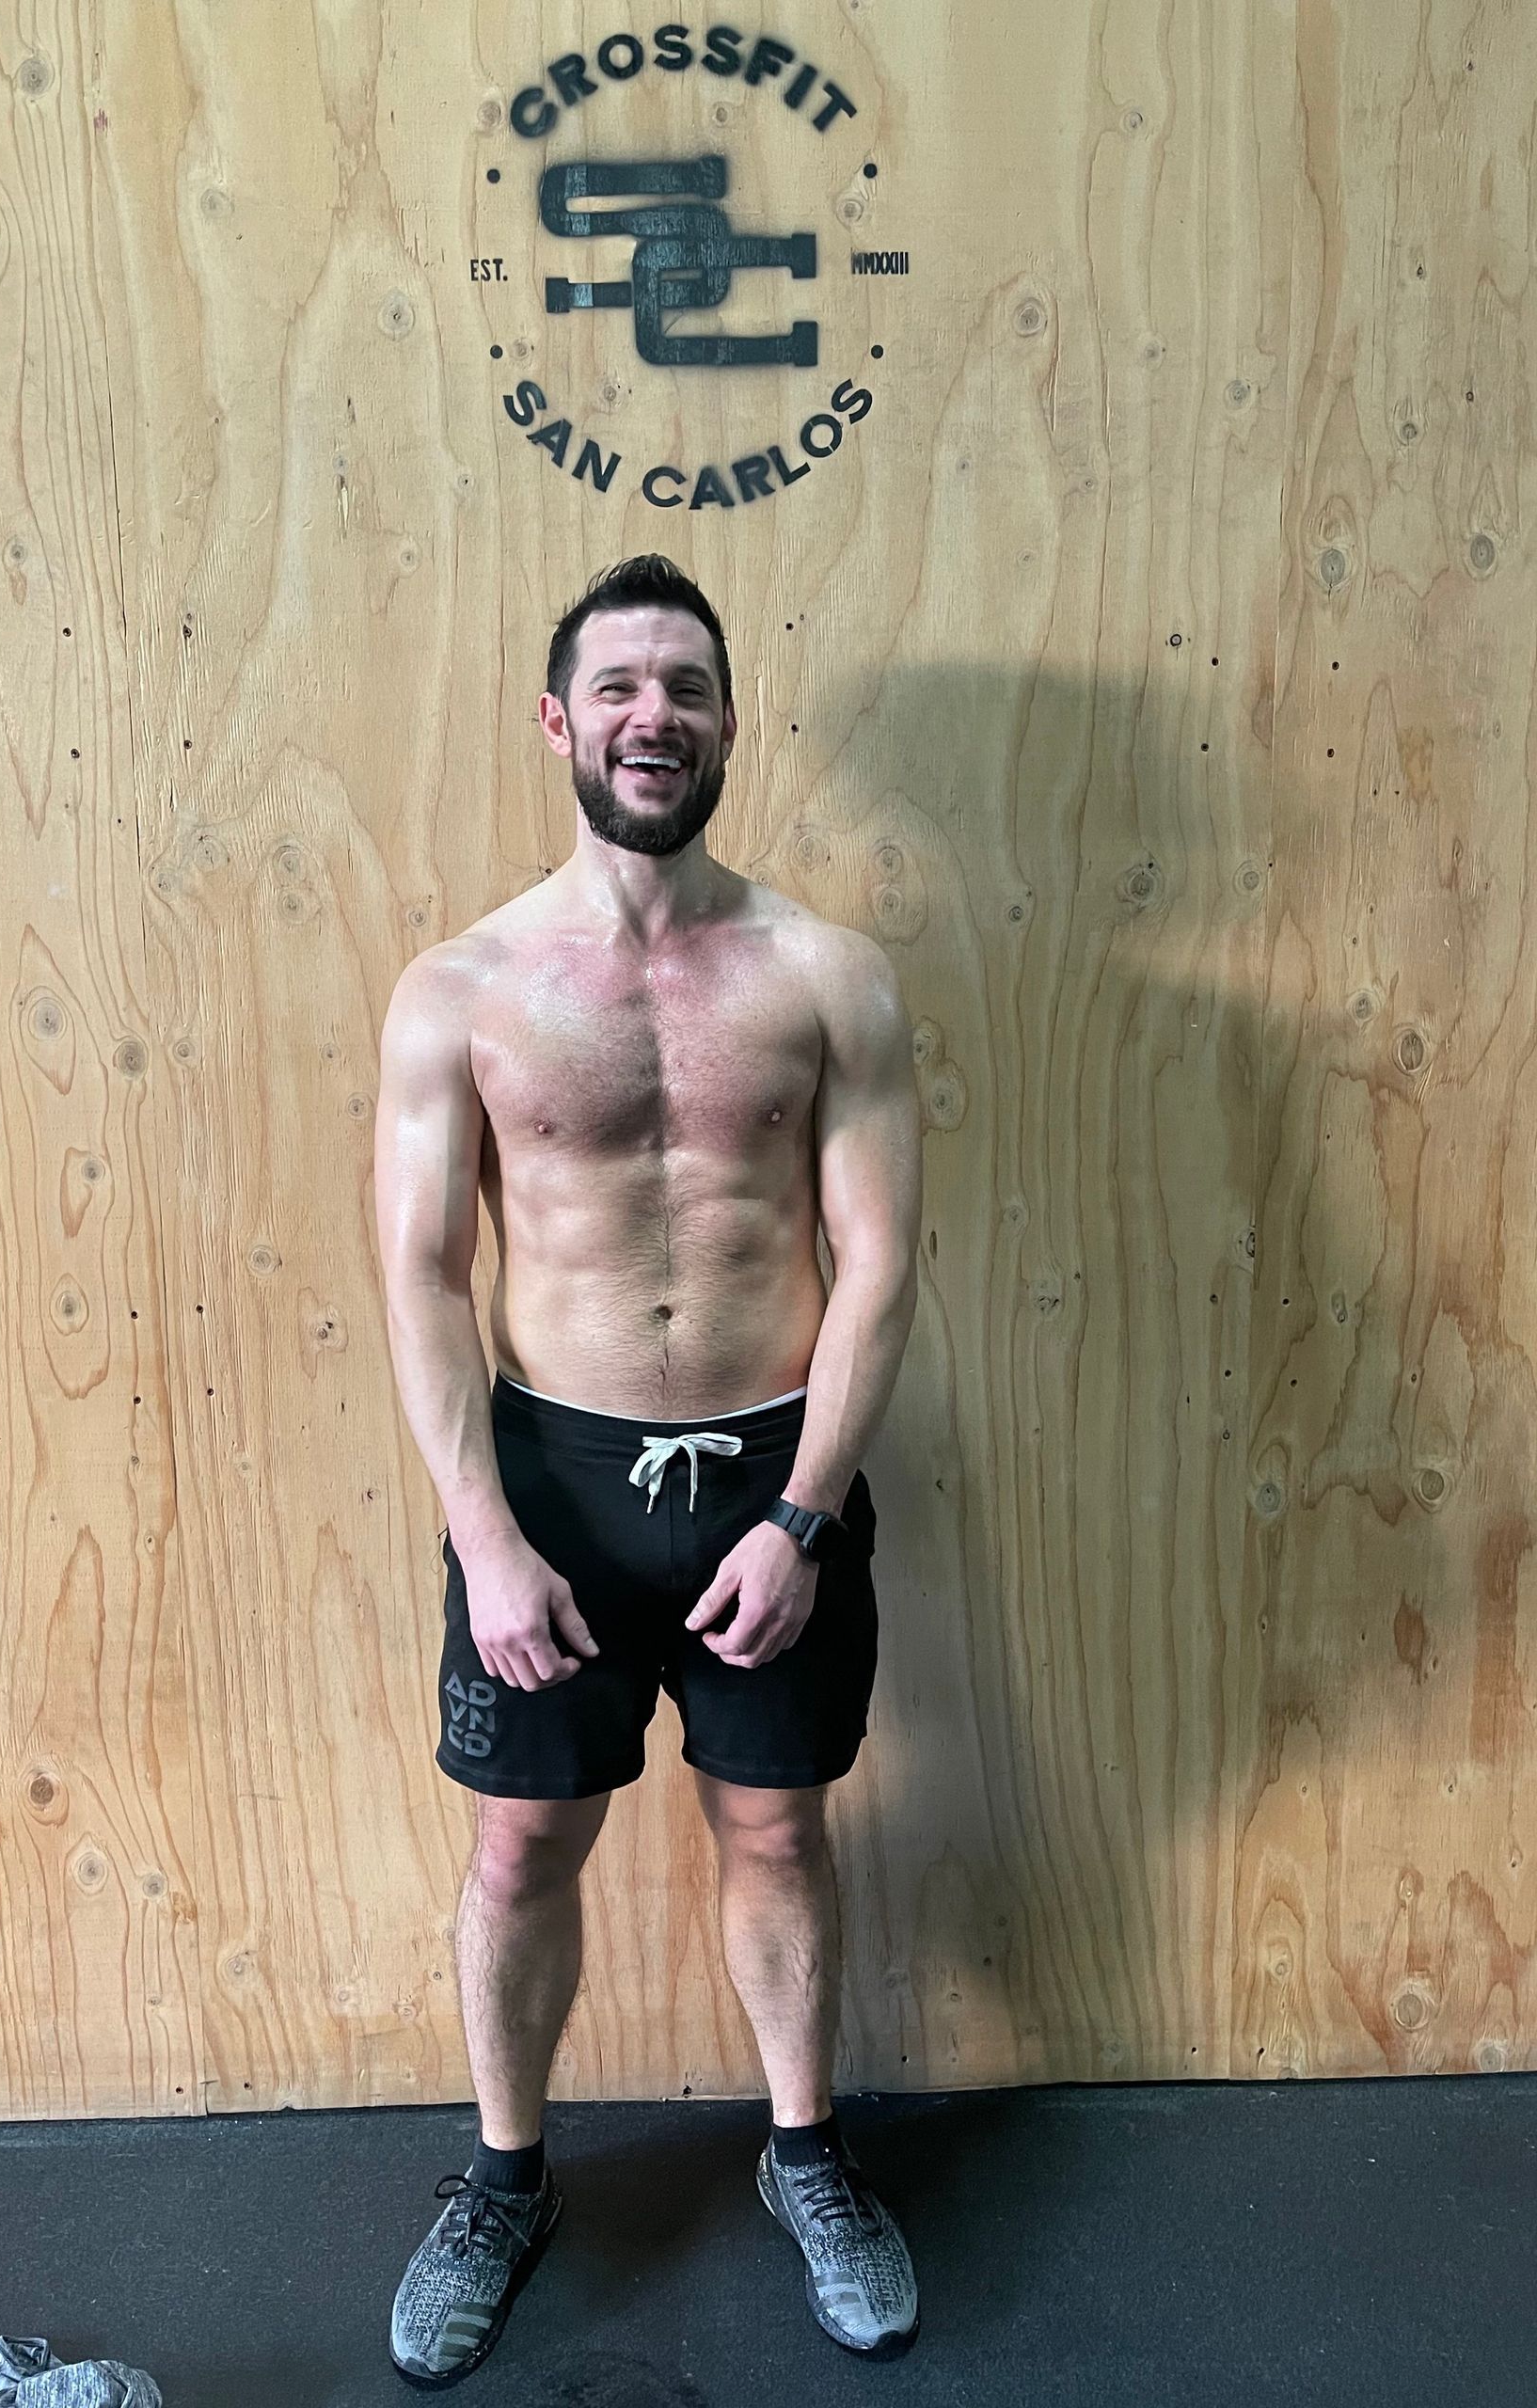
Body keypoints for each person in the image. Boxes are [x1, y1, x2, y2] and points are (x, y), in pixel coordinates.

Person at [372, 554, 924, 2386]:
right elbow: (424, 1275)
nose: (652, 714)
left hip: (773, 1479)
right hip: (549, 1487)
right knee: (525, 1841)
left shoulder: (829, 975)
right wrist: (487, 1531)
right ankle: (506, 2178)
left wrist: (803, 1510)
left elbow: (877, 1269)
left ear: (727, 720)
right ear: (560, 720)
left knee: (775, 1822)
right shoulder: (461, 989)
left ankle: (803, 2156)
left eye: (685, 684)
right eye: (618, 685)